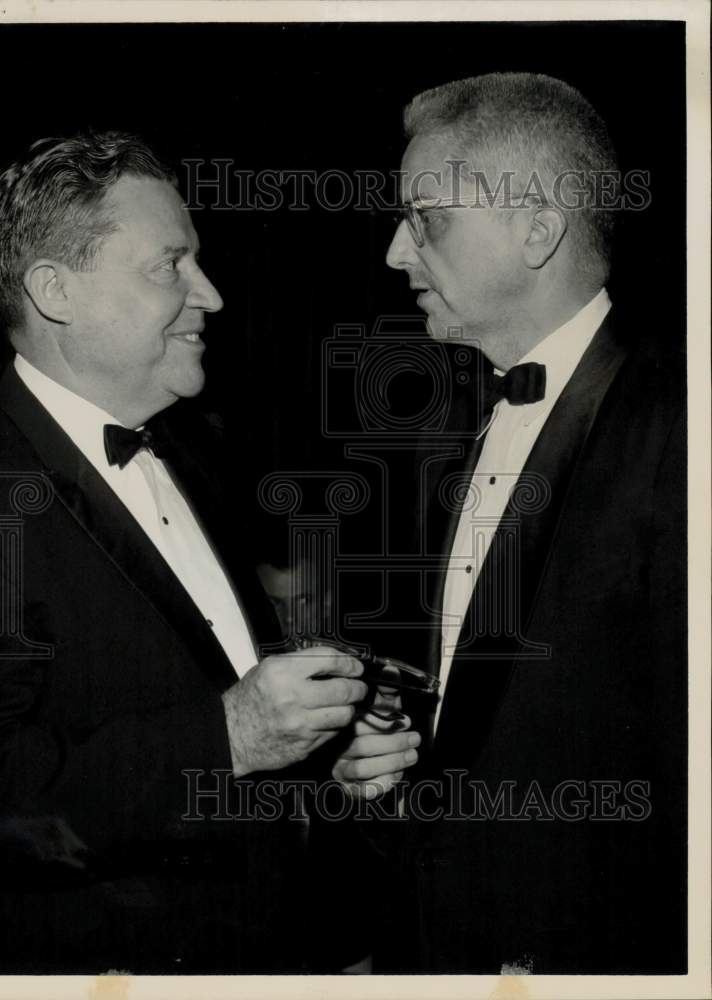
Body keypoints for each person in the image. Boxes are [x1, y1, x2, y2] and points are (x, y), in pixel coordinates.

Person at [0, 131, 420, 974]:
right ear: (55, 293)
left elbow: (209, 715)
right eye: (171, 265)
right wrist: (227, 735)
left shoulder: (189, 454)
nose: (212, 295)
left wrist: (324, 755)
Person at [379, 73, 686, 974]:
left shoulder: (678, 419)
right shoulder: (465, 431)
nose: (398, 251)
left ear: (538, 229)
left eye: (426, 219)